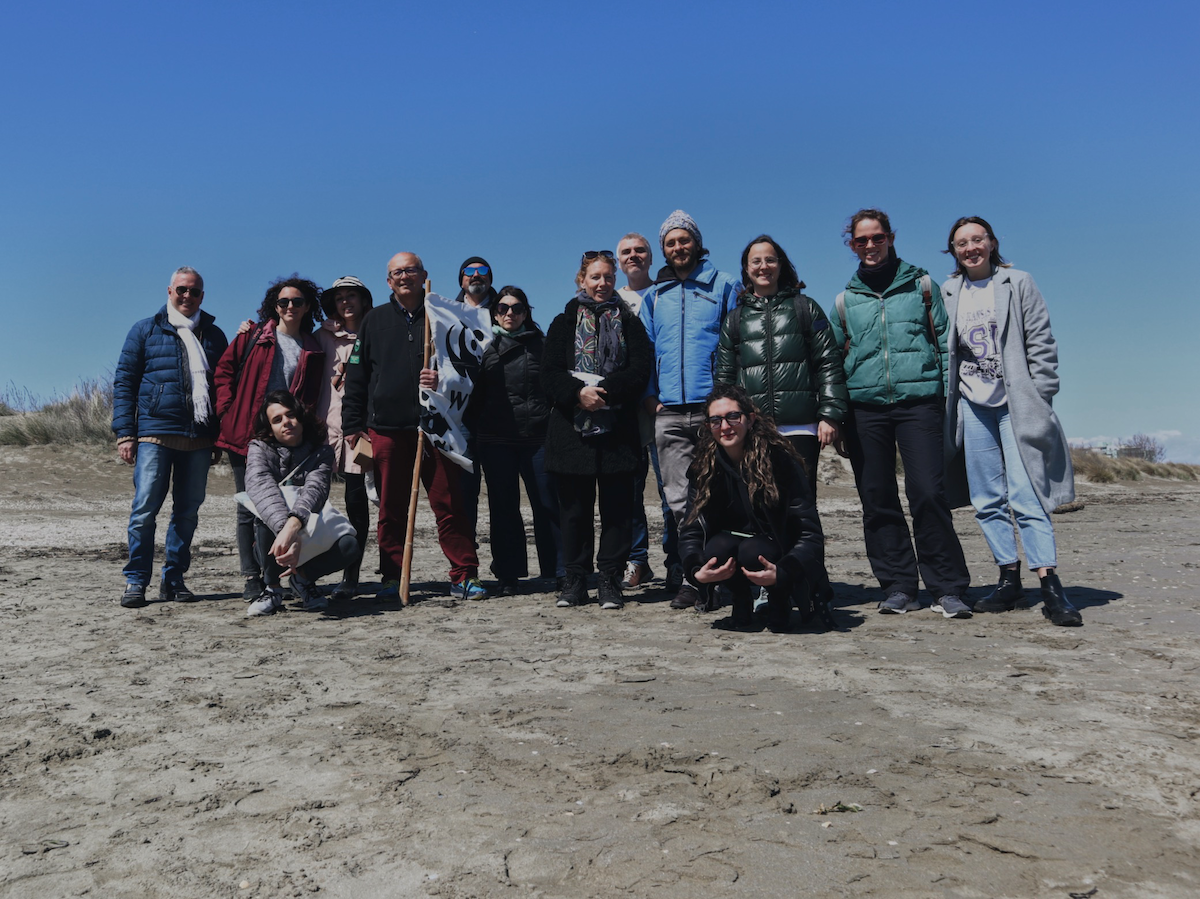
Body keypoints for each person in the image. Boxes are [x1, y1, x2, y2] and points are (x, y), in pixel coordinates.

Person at [829, 209, 971, 619]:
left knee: (928, 493)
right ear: (852, 245)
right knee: (877, 499)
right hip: (864, 410)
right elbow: (834, 364)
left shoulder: (923, 286)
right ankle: (898, 587)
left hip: (919, 404)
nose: (870, 246)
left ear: (891, 238)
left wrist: (949, 401)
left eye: (877, 238)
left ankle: (947, 588)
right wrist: (837, 416)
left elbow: (946, 345)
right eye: (861, 240)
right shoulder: (844, 300)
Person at [942, 216, 1082, 626]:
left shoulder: (1018, 282)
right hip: (972, 404)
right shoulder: (949, 291)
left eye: (977, 240)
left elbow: (1041, 340)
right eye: (961, 242)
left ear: (991, 242)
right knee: (986, 498)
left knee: (1027, 494)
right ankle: (1008, 578)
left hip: (1016, 404)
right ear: (953, 250)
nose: (970, 248)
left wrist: (1041, 395)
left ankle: (1051, 585)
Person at [341, 252, 488, 602]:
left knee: (449, 504)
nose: (404, 276)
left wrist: (442, 377)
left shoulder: (445, 314)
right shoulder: (373, 320)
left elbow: (470, 366)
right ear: (388, 281)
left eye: (410, 270)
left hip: (436, 425)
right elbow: (357, 376)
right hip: (388, 428)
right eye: (396, 272)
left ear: (423, 275)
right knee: (391, 508)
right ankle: (392, 576)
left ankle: (463, 574)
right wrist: (352, 424)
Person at [639, 211, 742, 610]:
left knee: (723, 495)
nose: (678, 248)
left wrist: (726, 399)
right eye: (670, 242)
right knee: (680, 501)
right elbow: (647, 352)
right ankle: (694, 579)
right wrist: (650, 396)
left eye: (684, 240)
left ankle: (730, 578)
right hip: (667, 412)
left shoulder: (725, 286)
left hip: (713, 412)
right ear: (663, 249)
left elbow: (733, 345)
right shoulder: (654, 297)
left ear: (697, 243)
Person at [113, 266, 228, 607]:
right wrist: (125, 433)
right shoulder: (144, 330)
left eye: (194, 291)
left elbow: (222, 388)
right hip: (154, 434)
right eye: (181, 290)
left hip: (199, 438)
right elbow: (124, 383)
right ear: (169, 291)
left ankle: (174, 579)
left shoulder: (214, 335)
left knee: (187, 513)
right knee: (144, 511)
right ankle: (136, 581)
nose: (187, 296)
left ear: (202, 296)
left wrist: (218, 436)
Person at [542, 251, 651, 610]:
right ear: (582, 281)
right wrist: (577, 395)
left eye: (607, 277)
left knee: (618, 511)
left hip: (617, 430)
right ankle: (574, 580)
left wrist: (605, 393)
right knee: (574, 511)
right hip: (571, 432)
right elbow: (550, 373)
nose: (602, 283)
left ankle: (609, 579)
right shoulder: (563, 321)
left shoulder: (630, 322)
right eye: (595, 277)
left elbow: (640, 369)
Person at [678, 385, 825, 633]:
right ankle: (740, 602)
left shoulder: (780, 460)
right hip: (732, 547)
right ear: (708, 427)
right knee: (717, 548)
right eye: (716, 421)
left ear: (750, 419)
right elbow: (692, 529)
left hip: (775, 549)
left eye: (733, 417)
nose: (725, 427)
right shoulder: (703, 467)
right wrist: (695, 571)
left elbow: (809, 533)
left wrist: (785, 572)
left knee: (751, 549)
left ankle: (779, 602)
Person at [214, 276, 326, 602]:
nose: (290, 307)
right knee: (249, 508)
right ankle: (253, 576)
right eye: (283, 302)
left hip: (290, 436)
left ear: (308, 306)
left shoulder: (312, 345)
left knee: (288, 505)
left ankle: (286, 574)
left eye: (298, 301)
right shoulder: (254, 335)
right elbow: (223, 372)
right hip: (247, 433)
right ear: (273, 306)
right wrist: (227, 412)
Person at [716, 234, 849, 495]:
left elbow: (828, 363)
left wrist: (830, 414)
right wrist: (727, 422)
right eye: (756, 261)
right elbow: (724, 377)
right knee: (759, 506)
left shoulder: (805, 308)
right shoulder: (735, 319)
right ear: (746, 269)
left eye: (770, 260)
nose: (763, 266)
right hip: (752, 429)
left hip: (802, 428)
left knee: (802, 507)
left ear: (781, 265)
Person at [468, 286, 563, 594]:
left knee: (548, 504)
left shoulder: (543, 344)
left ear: (526, 312)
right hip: (496, 439)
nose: (510, 313)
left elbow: (556, 385)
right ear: (494, 312)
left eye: (517, 308)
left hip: (538, 437)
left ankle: (558, 569)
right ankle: (508, 574)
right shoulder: (482, 345)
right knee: (504, 507)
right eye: (503, 308)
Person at [243, 391, 358, 617]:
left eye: (290, 415)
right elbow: (263, 491)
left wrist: (294, 528)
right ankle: (272, 588)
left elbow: (315, 491)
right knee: (263, 520)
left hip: (310, 527)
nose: (286, 422)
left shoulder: (322, 452)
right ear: (270, 428)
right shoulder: (258, 449)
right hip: (275, 533)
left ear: (301, 416)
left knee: (349, 546)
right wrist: (286, 533)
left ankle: (302, 579)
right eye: (277, 420)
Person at [615, 232, 679, 591]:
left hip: (660, 406)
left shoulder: (663, 295)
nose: (633, 256)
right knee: (630, 492)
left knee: (671, 490)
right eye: (626, 252)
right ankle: (637, 560)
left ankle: (676, 560)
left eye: (640, 250)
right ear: (618, 260)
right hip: (625, 413)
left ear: (651, 258)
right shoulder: (612, 300)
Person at [314, 275, 374, 601]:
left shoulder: (375, 332)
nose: (346, 302)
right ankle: (311, 573)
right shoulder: (321, 337)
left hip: (359, 431)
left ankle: (351, 576)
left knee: (356, 500)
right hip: (323, 431)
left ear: (364, 300)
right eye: (340, 298)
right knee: (314, 503)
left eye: (352, 296)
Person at [453, 255, 498, 539]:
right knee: (464, 492)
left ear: (490, 279)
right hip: (460, 414)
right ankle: (467, 561)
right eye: (469, 272)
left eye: (483, 271)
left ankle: (506, 569)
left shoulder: (506, 308)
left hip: (499, 414)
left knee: (501, 493)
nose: (476, 275)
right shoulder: (447, 313)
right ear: (461, 280)